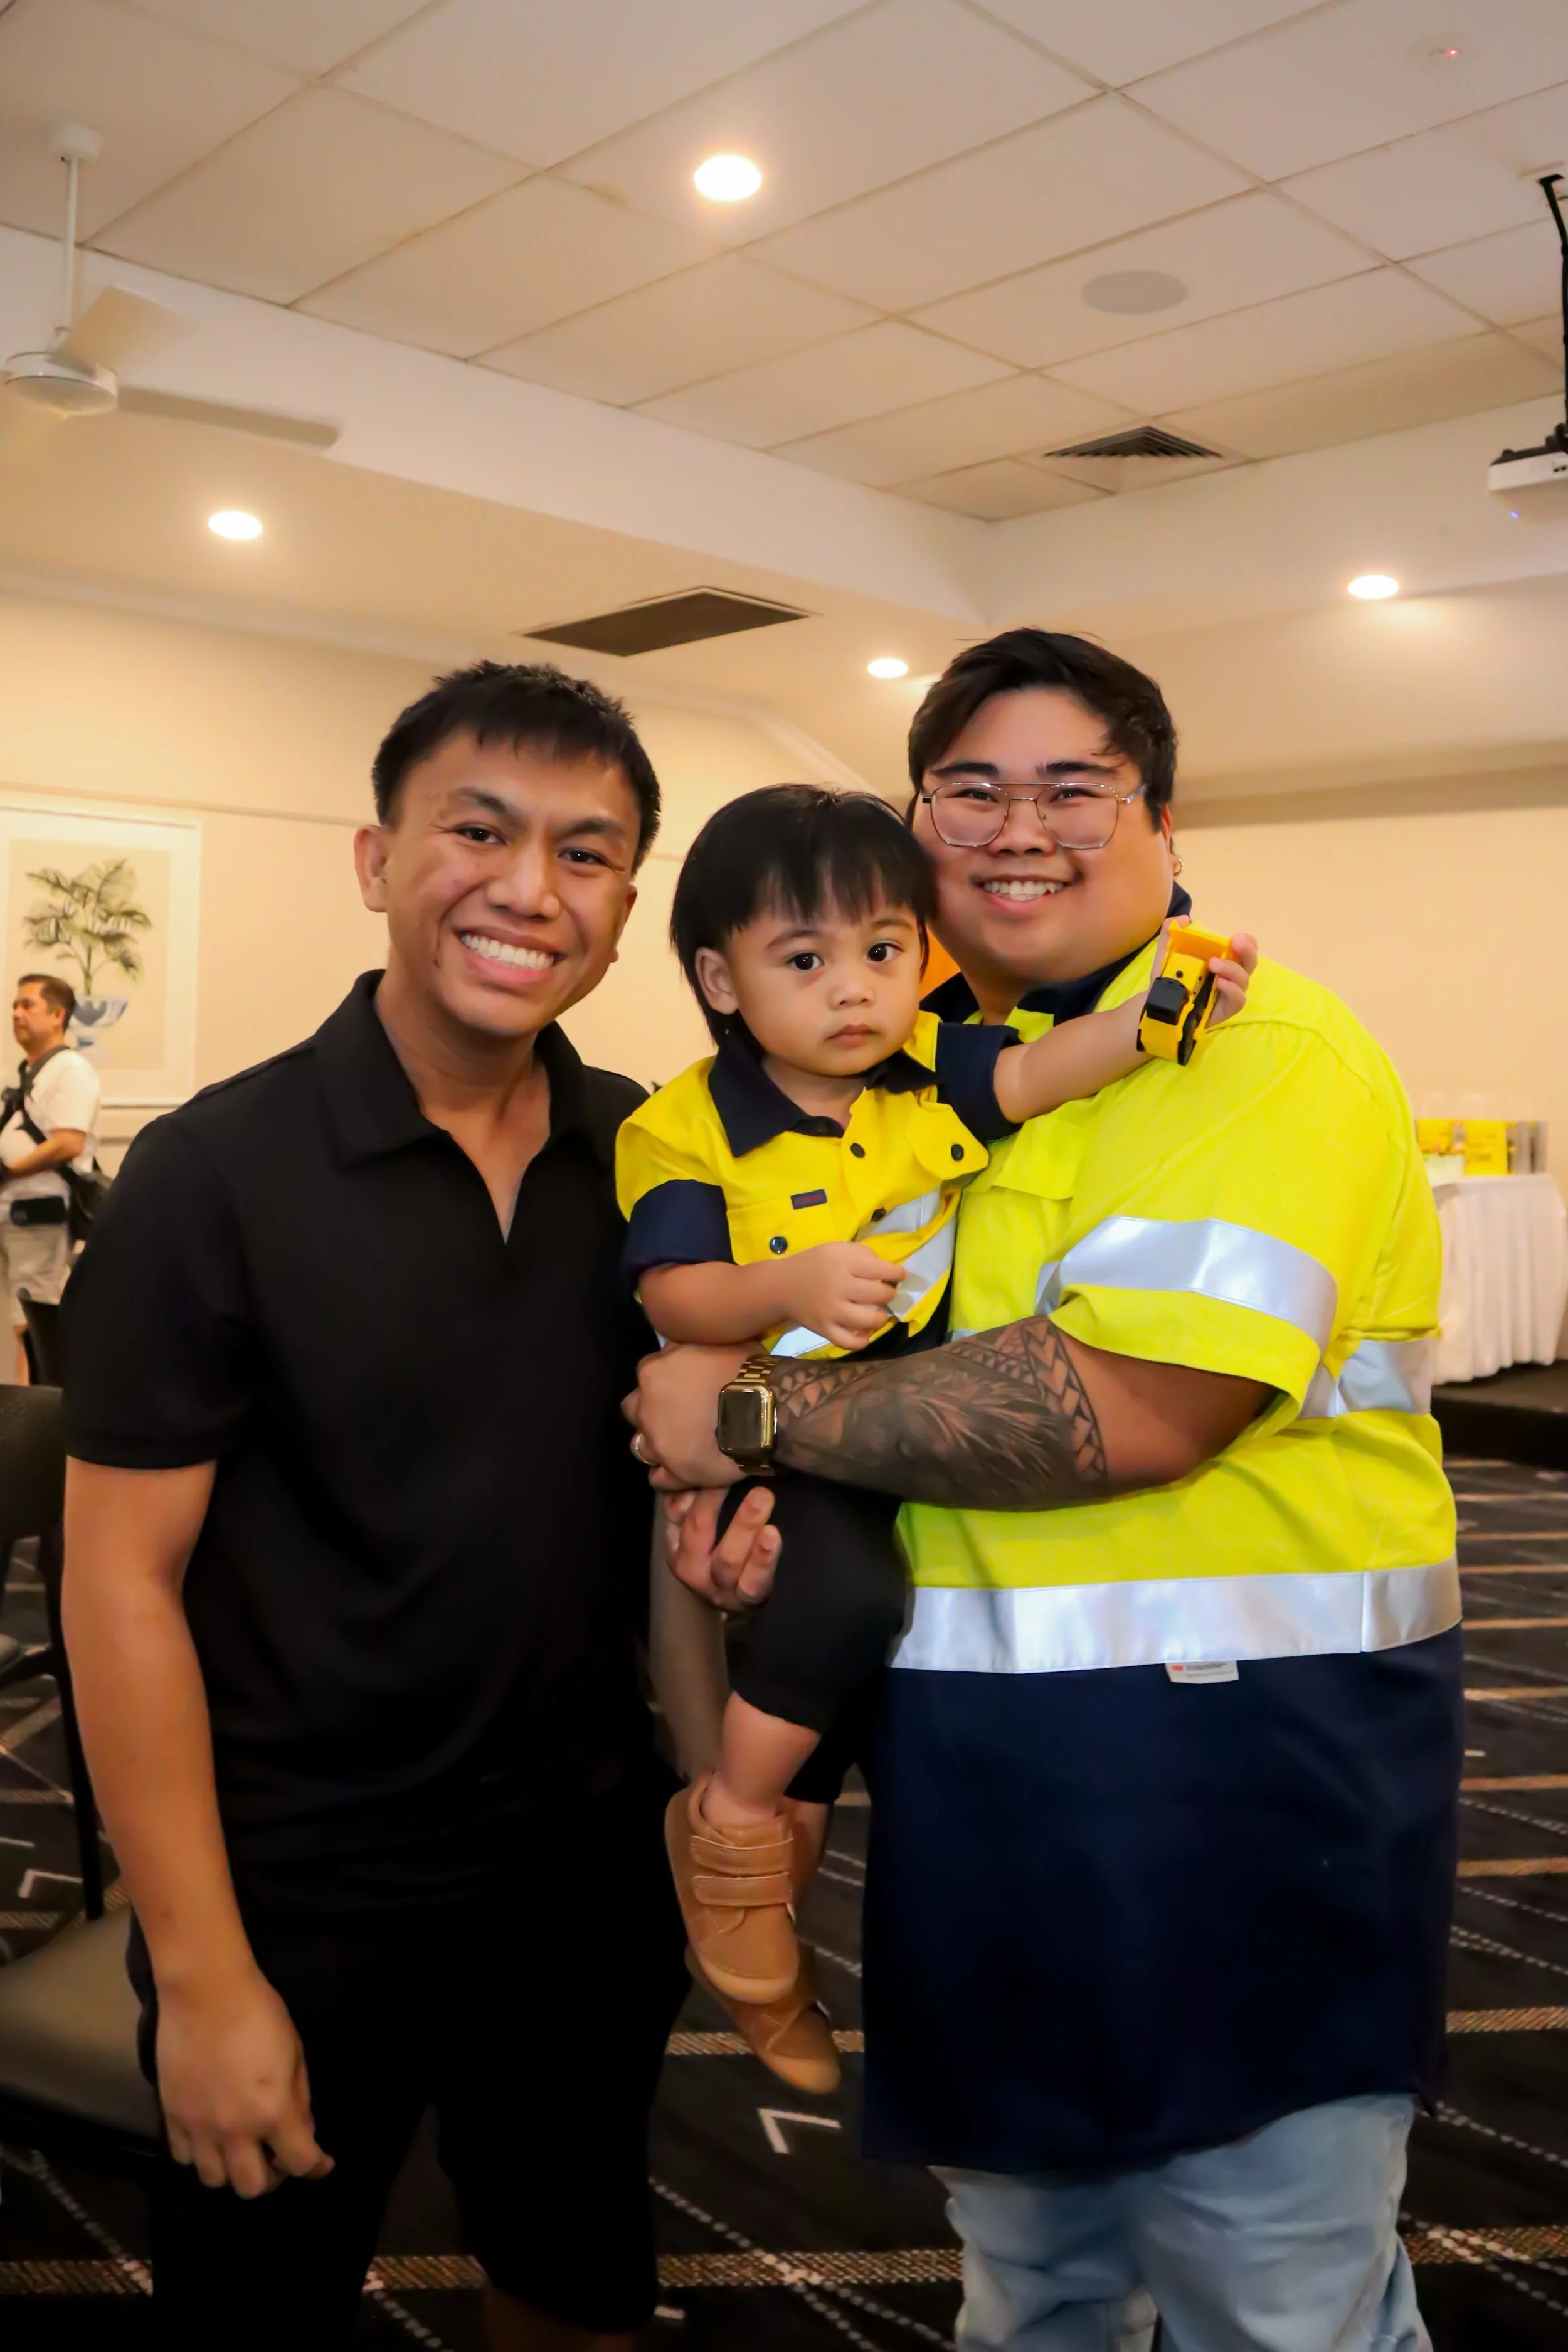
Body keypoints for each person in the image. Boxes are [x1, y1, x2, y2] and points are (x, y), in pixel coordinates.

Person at [632, 628, 1459, 2352]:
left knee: (1275, 2294)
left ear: (1161, 813)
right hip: (989, 1777)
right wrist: (765, 1512)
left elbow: (1133, 1406)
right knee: (1033, 2280)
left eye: (1072, 787)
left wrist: (751, 1415)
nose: (1019, 829)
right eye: (970, 792)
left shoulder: (1255, 1047)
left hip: (1237, 1772)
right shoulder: (941, 1069)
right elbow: (894, 1399)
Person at [60, 661, 687, 2352]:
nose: (529, 887)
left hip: (581, 1858)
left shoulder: (650, 1158)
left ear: (624, 908)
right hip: (298, 1878)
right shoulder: (213, 1171)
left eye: (585, 851)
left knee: (575, 2279)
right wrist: (202, 1972)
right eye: (477, 831)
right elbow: (117, 1585)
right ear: (375, 857)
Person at [622, 784, 1251, 2083]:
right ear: (720, 980)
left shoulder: (928, 1069)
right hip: (785, 1411)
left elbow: (1035, 1071)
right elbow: (674, 1298)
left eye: (883, 951)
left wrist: (1151, 1021)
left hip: (912, 1408)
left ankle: (758, 1921)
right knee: (845, 1603)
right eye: (805, 961)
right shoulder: (681, 1124)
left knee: (857, 1676)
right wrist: (786, 1286)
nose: (854, 990)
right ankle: (731, 1824)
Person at [0, 972, 100, 1382]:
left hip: (40, 1210)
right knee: (22, 1322)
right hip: (15, 1210)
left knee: (36, 1322)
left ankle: (41, 1413)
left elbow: (68, 1143)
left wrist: (8, 1171)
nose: (16, 1014)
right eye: (15, 1006)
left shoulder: (71, 1070)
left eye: (28, 1005)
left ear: (58, 1016)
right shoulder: (29, 1072)